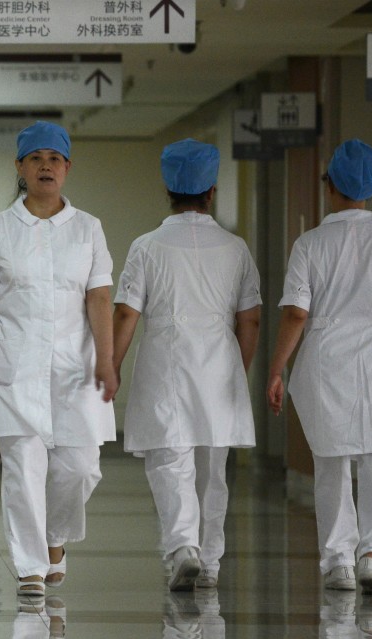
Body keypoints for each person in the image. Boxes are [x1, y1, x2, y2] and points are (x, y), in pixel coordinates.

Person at [266, 138, 372, 595]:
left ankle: (338, 560)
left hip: (327, 358)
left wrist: (277, 368)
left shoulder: (310, 244)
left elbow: (296, 313)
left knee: (332, 461)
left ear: (329, 186)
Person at [0, 121, 117, 598]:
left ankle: (55, 538)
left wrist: (108, 358)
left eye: (55, 159)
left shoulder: (88, 228)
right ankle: (30, 565)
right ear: (20, 167)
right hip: (15, 365)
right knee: (22, 467)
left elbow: (98, 297)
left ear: (67, 168)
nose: (46, 166)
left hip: (77, 366)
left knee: (80, 466)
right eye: (36, 159)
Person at [112, 139, 261, 591]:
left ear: (167, 187)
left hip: (166, 357)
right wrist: (240, 369)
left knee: (169, 458)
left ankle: (183, 547)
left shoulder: (147, 246)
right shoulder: (236, 249)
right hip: (220, 362)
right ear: (212, 190)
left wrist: (111, 365)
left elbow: (126, 313)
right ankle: (210, 561)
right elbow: (250, 318)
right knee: (213, 467)